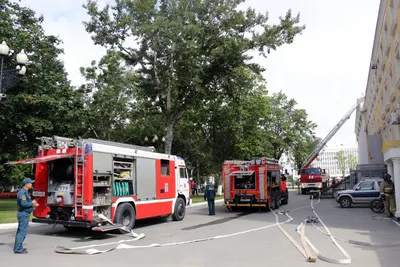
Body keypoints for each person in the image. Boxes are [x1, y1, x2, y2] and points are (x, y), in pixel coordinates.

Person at [14, 178, 39, 254]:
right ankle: (18, 249)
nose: (31, 184)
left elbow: (26, 203)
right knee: (22, 232)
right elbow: (23, 204)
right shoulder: (22, 193)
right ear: (26, 184)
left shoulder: (25, 192)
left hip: (24, 213)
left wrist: (33, 204)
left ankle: (19, 247)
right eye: (30, 183)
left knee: (21, 231)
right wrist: (32, 203)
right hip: (23, 214)